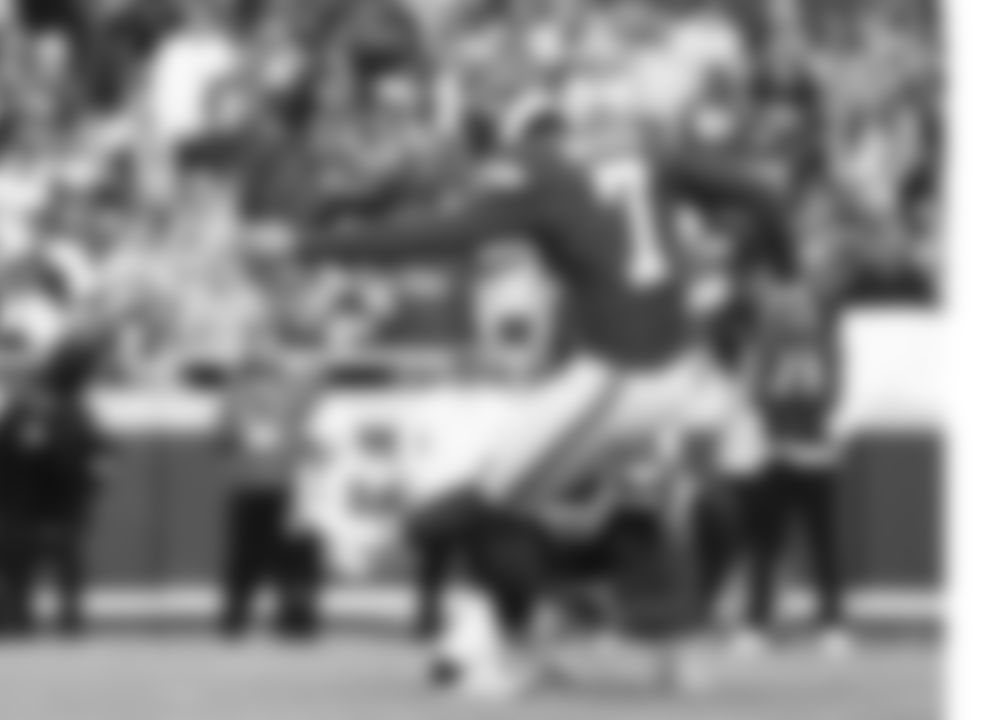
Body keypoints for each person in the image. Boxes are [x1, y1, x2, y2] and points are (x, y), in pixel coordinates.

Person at [274, 105, 797, 695]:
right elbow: (761, 193)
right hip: (681, 371)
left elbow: (445, 236)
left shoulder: (537, 179)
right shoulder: (640, 151)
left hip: (624, 374)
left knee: (487, 503)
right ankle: (643, 634)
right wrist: (785, 266)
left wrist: (320, 245)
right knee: (721, 490)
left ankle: (506, 640)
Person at [739, 270, 850, 655]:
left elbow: (834, 393)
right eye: (787, 307)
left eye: (802, 305)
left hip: (818, 454)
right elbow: (754, 392)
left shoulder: (828, 342)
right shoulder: (768, 343)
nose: (796, 313)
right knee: (765, 544)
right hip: (777, 452)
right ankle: (755, 624)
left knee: (825, 544)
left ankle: (832, 624)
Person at [0, 344, 106, 635]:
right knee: (29, 561)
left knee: (60, 559)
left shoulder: (67, 410)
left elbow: (94, 448)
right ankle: (24, 615)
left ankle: (63, 616)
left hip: (57, 497)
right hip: (27, 498)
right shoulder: (23, 413)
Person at [216, 343, 323, 642]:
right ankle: (294, 619)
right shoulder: (291, 394)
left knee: (244, 554)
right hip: (283, 483)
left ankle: (234, 618)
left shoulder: (235, 394)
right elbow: (304, 438)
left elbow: (222, 437)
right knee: (287, 555)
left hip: (246, 484)